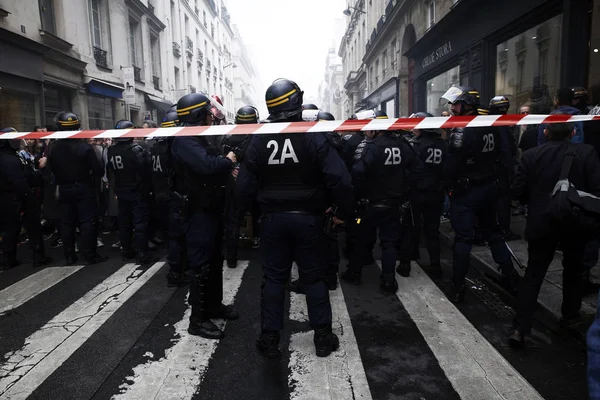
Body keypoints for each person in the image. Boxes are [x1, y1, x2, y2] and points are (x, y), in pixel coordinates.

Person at [237, 78, 353, 358]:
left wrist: (247, 217)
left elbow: (244, 186)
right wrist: (344, 213)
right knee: (313, 279)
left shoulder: (259, 138)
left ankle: (269, 338)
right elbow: (340, 179)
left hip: (273, 221)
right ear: (296, 102)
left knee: (274, 280)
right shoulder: (313, 134)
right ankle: (323, 338)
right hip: (310, 220)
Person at [510, 122, 600, 346]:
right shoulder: (587, 152)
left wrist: (536, 201)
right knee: (573, 271)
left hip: (541, 222)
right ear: (573, 132)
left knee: (533, 275)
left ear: (546, 132)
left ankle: (520, 328)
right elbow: (596, 189)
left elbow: (518, 191)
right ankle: (570, 317)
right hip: (575, 222)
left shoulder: (531, 155)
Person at [441, 86, 519, 303]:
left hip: (467, 191)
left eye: (456, 104)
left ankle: (457, 285)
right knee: (493, 233)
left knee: (464, 239)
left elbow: (450, 164)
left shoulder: (463, 128)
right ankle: (510, 275)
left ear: (466, 105)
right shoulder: (491, 123)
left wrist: (448, 184)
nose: (452, 107)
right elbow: (505, 153)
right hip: (489, 187)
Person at [171, 92, 239, 339]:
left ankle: (213, 306)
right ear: (198, 115)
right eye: (208, 113)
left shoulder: (198, 137)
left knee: (213, 261)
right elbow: (207, 166)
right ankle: (197, 320)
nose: (212, 117)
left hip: (209, 208)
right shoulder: (185, 140)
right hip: (197, 211)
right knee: (200, 265)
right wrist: (227, 161)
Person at [342, 110, 422, 291]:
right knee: (389, 243)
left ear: (375, 129)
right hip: (394, 203)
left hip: (370, 203)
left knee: (361, 238)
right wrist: (404, 184)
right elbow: (417, 167)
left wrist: (361, 192)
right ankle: (388, 280)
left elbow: (358, 172)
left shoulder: (371, 147)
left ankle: (354, 273)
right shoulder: (402, 145)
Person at [48, 112, 106, 265]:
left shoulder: (54, 148)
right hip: (83, 187)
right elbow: (99, 169)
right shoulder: (85, 147)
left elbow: (50, 169)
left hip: (64, 188)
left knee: (67, 223)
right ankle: (90, 255)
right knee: (87, 222)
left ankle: (69, 255)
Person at [402, 113, 447, 278]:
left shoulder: (414, 145)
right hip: (436, 193)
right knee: (432, 231)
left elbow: (407, 169)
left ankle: (406, 264)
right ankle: (436, 266)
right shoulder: (443, 144)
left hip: (416, 193)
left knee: (410, 229)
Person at [106, 120, 154, 264]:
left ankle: (127, 251)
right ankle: (142, 254)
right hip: (136, 190)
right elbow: (145, 169)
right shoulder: (135, 149)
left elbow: (111, 171)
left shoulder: (111, 150)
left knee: (124, 223)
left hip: (121, 190)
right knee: (140, 224)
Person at [152, 109, 189, 286]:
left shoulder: (156, 145)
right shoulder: (174, 146)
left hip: (160, 196)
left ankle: (177, 268)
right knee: (177, 236)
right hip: (173, 197)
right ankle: (175, 272)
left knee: (170, 236)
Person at [222, 106, 257, 268]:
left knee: (233, 221)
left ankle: (231, 257)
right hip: (252, 181)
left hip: (233, 182)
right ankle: (256, 239)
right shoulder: (258, 137)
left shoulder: (228, 137)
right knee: (258, 212)